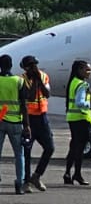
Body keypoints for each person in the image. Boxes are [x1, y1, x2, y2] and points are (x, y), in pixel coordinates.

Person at [0, 55, 32, 195]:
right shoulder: (19, 81)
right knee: (19, 155)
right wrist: (27, 125)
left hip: (0, 120)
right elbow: (24, 105)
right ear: (11, 65)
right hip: (15, 122)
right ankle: (19, 182)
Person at [20, 55, 51, 193]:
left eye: (34, 65)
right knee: (26, 151)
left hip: (42, 118)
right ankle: (26, 181)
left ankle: (36, 176)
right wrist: (34, 81)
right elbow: (30, 96)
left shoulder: (43, 76)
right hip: (29, 118)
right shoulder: (22, 80)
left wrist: (39, 80)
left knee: (50, 148)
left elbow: (47, 93)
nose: (33, 68)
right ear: (25, 68)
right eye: (30, 66)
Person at [61, 60, 91, 186]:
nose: (89, 72)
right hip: (81, 118)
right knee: (79, 149)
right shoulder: (82, 85)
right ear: (79, 70)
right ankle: (77, 174)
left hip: (72, 118)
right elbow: (80, 102)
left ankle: (68, 172)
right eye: (87, 70)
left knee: (73, 146)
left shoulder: (73, 82)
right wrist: (90, 104)